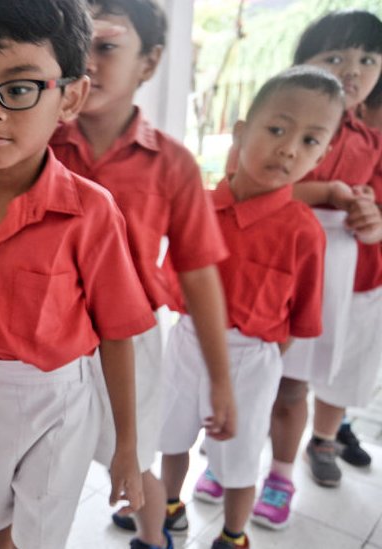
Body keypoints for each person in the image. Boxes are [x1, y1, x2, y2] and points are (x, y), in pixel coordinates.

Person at [0, 1, 155, 547]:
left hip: (60, 400)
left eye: (19, 89)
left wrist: (127, 444)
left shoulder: (92, 210)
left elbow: (118, 330)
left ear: (71, 97)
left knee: (41, 535)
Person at [50, 2, 233, 548]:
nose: (87, 61)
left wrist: (221, 379)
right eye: (76, 45)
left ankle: (155, 539)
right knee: (46, 459)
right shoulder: (36, 143)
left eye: (105, 46)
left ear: (149, 63)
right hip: (47, 338)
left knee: (135, 459)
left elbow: (198, 273)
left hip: (129, 339)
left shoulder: (172, 163)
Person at [160, 66, 342, 549]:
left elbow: (299, 318)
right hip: (185, 343)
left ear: (323, 155)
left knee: (239, 456)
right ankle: (169, 508)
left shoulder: (305, 231)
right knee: (171, 435)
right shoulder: (194, 206)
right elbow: (169, 278)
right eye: (277, 129)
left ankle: (233, 534)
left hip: (252, 357)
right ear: (241, 132)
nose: (288, 148)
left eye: (309, 141)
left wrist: (257, 359)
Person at [229, 10, 382, 532]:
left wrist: (368, 219)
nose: (353, 70)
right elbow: (242, 184)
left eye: (367, 59)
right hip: (269, 262)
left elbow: (369, 208)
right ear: (303, 65)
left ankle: (280, 474)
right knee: (249, 374)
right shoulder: (277, 120)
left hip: (332, 271)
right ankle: (233, 467)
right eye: (335, 57)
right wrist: (328, 193)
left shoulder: (367, 138)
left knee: (295, 384)